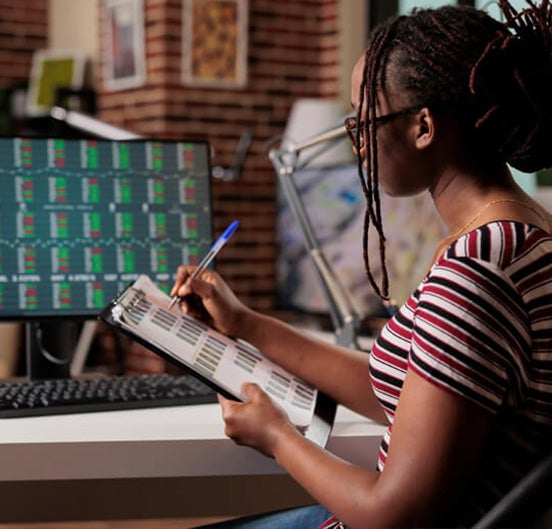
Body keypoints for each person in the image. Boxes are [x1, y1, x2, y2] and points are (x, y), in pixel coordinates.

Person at [170, 2, 552, 527]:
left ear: (423, 126)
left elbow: (393, 512)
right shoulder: (525, 234)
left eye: (363, 120)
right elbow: (391, 386)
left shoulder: (478, 271)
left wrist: (276, 436)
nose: (357, 143)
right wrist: (243, 323)